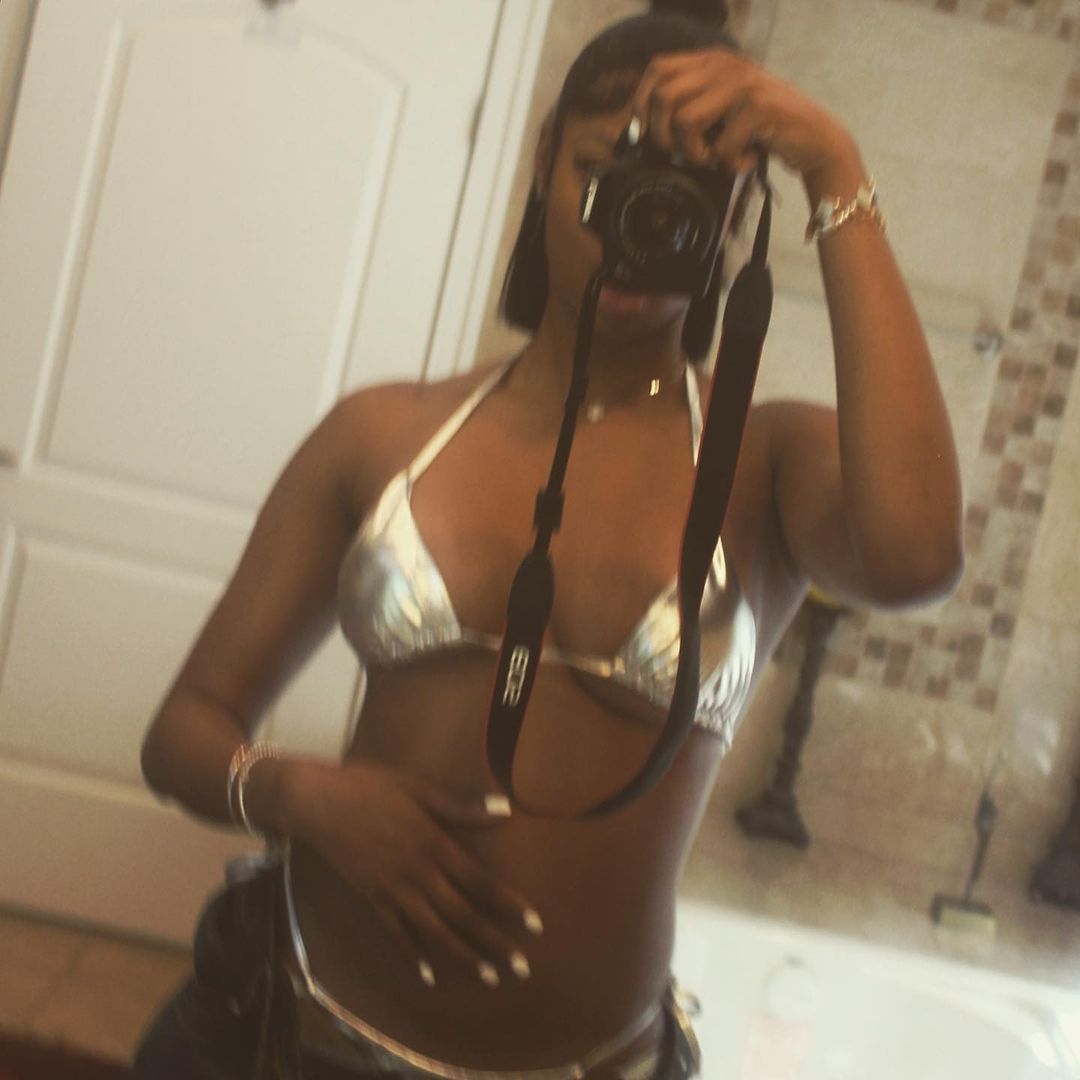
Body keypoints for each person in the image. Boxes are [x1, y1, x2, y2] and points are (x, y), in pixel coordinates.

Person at [134, 3, 964, 1078]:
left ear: (734, 217)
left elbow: (916, 559)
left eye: (689, 192)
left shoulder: (765, 465)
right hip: (293, 1037)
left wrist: (831, 163)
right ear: (541, 162)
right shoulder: (383, 434)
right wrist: (303, 796)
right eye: (602, 170)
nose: (632, 218)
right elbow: (183, 733)